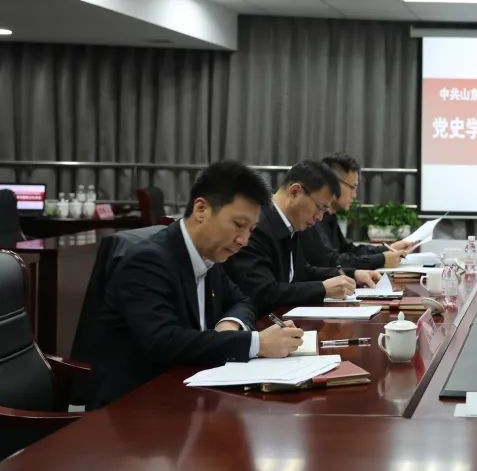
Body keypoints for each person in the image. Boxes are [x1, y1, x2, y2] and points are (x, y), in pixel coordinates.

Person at [89, 161, 304, 408]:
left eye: (251, 230)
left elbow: (242, 300)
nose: (243, 240)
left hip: (190, 393)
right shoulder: (148, 261)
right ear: (202, 209)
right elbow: (164, 341)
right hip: (136, 408)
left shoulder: (209, 255)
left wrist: (229, 324)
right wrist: (257, 344)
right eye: (238, 225)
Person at [225, 160, 379, 313]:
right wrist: (322, 289)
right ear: (295, 192)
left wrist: (353, 274)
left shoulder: (290, 224)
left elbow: (302, 272)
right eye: (320, 208)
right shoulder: (257, 224)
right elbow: (262, 292)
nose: (320, 218)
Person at [298, 153, 414, 274]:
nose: (354, 195)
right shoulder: (311, 217)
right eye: (352, 187)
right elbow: (331, 262)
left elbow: (347, 250)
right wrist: (381, 259)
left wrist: (386, 249)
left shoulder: (329, 216)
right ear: (334, 183)